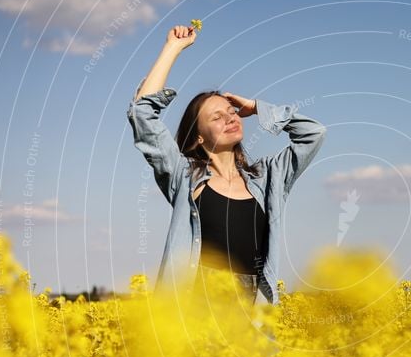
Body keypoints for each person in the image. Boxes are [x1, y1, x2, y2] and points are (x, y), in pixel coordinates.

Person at [126, 23, 327, 305]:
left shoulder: (268, 176)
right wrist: (173, 48)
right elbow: (142, 114)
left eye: (232, 112)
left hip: (250, 308)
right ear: (197, 137)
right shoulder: (183, 176)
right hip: (194, 305)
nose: (231, 118)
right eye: (217, 117)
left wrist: (258, 107)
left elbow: (313, 135)